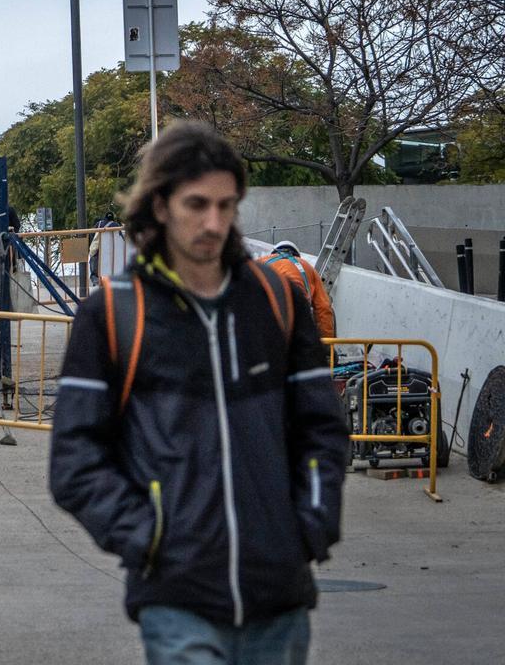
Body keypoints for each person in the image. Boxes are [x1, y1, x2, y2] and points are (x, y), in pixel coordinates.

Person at [49, 121, 348, 665]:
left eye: (226, 205)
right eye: (196, 204)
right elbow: (75, 460)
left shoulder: (278, 301)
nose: (214, 222)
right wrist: (150, 538)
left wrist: (310, 524)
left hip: (278, 595)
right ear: (160, 204)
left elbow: (322, 429)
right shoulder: (114, 315)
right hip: (177, 598)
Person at [260, 241, 336, 339]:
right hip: (298, 315)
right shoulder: (307, 267)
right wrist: (327, 344)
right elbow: (323, 308)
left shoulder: (259, 263)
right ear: (297, 255)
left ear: (273, 253)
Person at [88, 212, 124, 283]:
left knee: (93, 257)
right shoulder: (116, 225)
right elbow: (121, 238)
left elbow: (91, 234)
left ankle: (94, 277)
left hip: (99, 250)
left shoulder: (99, 224)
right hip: (111, 251)